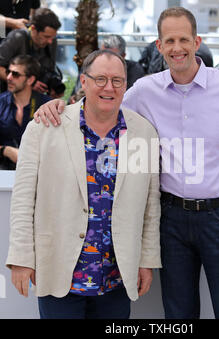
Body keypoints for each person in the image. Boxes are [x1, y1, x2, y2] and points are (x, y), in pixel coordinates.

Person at [33, 7, 219, 319]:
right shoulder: (144, 91)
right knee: (178, 314)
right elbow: (100, 105)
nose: (177, 48)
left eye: (184, 39)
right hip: (171, 220)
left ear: (197, 41)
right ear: (158, 46)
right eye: (169, 40)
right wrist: (58, 107)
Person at [6, 49, 161, 319]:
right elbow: (22, 201)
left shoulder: (142, 133)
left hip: (115, 278)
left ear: (126, 85)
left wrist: (146, 261)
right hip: (60, 276)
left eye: (117, 81)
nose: (109, 87)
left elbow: (150, 207)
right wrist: (21, 259)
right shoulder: (45, 127)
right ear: (84, 81)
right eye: (100, 79)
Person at [0, 7, 64, 98]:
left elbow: (50, 69)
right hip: (11, 96)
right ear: (33, 29)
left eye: (52, 38)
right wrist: (28, 83)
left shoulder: (51, 41)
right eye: (46, 37)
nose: (50, 41)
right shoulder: (18, 38)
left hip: (37, 97)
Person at [0, 54, 50, 170]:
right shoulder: (1, 102)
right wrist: (6, 150)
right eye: (8, 72)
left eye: (15, 74)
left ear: (30, 80)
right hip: (3, 172)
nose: (9, 77)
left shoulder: (47, 106)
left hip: (38, 172)